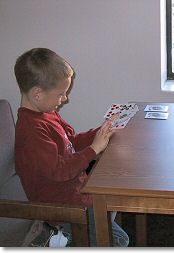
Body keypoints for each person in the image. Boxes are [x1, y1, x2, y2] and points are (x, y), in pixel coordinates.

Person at [14, 48, 129, 247]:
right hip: (59, 207)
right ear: (37, 94)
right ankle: (60, 238)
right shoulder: (31, 131)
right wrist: (94, 149)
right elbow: (59, 171)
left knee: (116, 196)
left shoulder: (47, 113)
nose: (65, 99)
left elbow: (72, 142)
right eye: (61, 94)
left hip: (75, 191)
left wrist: (100, 132)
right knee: (119, 241)